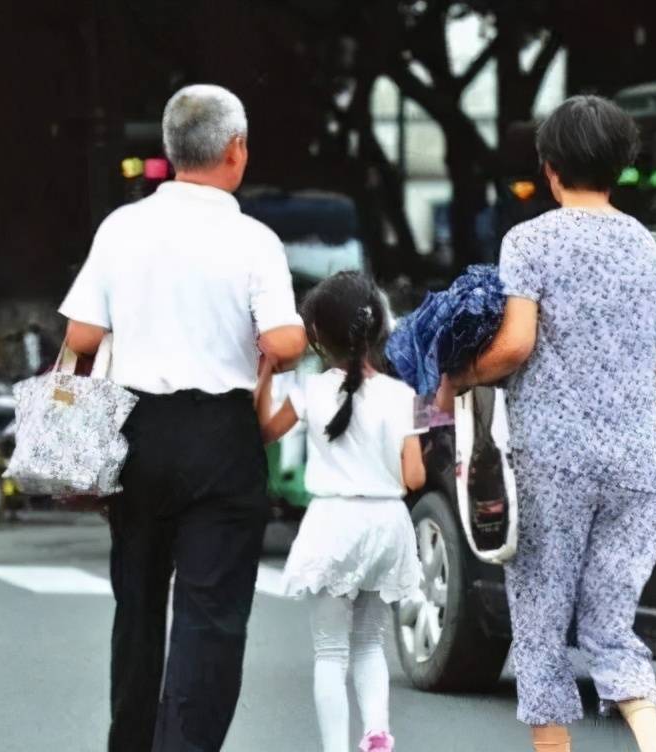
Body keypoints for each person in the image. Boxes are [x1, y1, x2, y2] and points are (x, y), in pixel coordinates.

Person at [59, 84, 307, 752]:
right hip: (221, 439)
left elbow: (82, 335)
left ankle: (130, 743)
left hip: (135, 435)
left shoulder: (122, 226)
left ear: (169, 151)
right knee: (211, 616)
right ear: (236, 150)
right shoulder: (254, 239)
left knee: (136, 606)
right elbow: (284, 343)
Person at [438, 96, 656, 752]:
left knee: (541, 627)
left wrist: (461, 376)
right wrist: (637, 430)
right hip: (635, 462)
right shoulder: (646, 246)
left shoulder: (531, 240)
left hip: (553, 462)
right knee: (613, 623)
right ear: (619, 167)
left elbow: (516, 345)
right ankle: (653, 747)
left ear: (549, 169)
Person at [255, 271, 425, 752]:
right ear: (377, 331)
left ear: (315, 336)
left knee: (330, 651)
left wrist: (265, 370)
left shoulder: (309, 392)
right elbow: (413, 478)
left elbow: (263, 431)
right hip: (388, 526)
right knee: (371, 642)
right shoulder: (404, 396)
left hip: (334, 523)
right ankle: (377, 734)